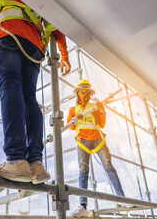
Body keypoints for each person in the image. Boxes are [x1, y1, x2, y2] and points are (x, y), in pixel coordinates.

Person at [0, 0, 71, 185]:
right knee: (29, 98)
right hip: (34, 45)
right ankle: (35, 163)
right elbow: (58, 28)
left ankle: (15, 159)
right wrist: (64, 56)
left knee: (10, 87)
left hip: (9, 32)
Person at [67, 79, 125, 217]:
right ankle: (83, 206)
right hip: (82, 141)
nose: (84, 95)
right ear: (78, 94)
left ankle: (121, 199)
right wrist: (77, 118)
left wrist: (101, 109)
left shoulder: (94, 106)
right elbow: (72, 126)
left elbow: (101, 124)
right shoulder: (73, 109)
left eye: (86, 92)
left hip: (98, 139)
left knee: (108, 166)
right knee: (83, 172)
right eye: (82, 92)